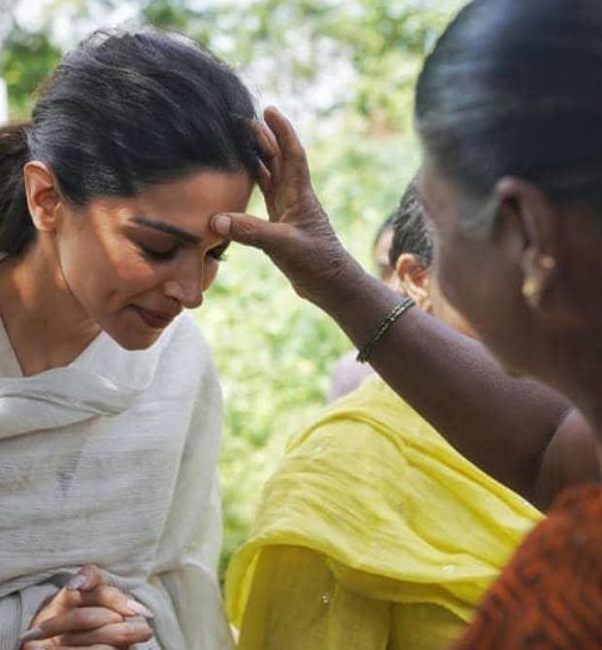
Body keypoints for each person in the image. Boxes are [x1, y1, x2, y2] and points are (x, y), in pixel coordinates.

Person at [207, 0, 602, 646]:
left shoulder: (568, 588)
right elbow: (550, 451)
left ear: (528, 232)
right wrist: (338, 282)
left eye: (441, 220)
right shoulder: (350, 464)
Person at [0, 29, 265, 650]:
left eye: (216, 255)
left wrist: (109, 626)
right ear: (46, 198)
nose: (191, 292)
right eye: (157, 248)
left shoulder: (180, 363)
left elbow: (176, 580)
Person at [225, 179, 543, 650]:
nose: (535, 293)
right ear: (416, 279)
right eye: (500, 268)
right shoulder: (341, 474)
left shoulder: (580, 434)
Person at [326, 212, 396, 401]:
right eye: (386, 271)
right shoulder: (353, 373)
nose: (397, 285)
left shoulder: (473, 367)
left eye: (413, 271)